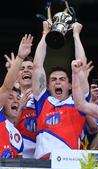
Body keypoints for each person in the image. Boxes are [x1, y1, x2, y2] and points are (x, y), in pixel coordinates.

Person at [32, 21, 88, 159]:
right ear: (48, 85)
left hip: (68, 164)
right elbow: (37, 66)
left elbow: (81, 67)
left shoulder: (78, 103)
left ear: (70, 85)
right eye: (53, 80)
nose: (57, 81)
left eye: (62, 79)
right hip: (41, 165)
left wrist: (76, 35)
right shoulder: (43, 101)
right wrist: (45, 33)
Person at [0, 33, 33, 158]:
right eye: (10, 97)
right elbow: (7, 87)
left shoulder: (17, 137)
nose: (16, 100)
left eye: (18, 98)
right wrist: (19, 58)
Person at [4, 51, 37, 158]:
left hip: (41, 156)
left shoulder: (47, 98)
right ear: (17, 76)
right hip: (17, 154)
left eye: (30, 68)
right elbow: (7, 126)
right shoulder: (9, 99)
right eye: (21, 69)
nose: (26, 70)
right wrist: (20, 107)